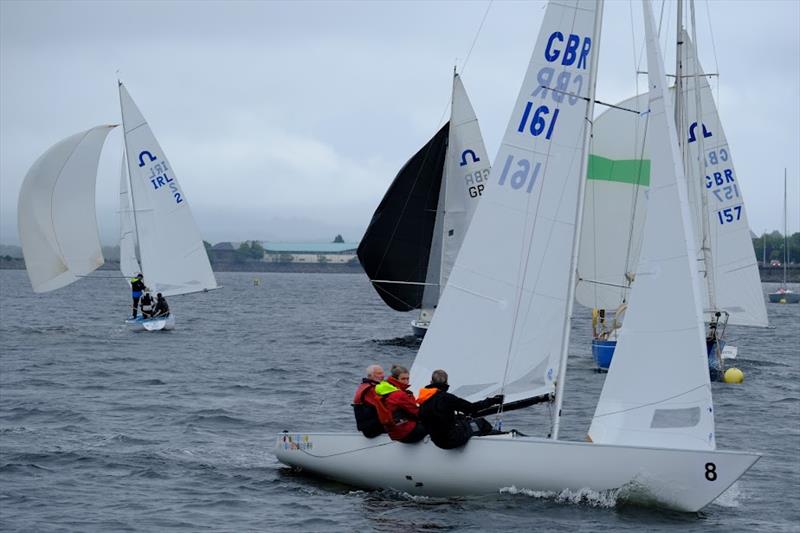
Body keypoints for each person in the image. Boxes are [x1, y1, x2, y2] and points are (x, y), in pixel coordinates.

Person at [418, 369, 504, 449]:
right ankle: (497, 445)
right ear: (446, 382)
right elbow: (471, 408)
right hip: (452, 440)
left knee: (463, 419)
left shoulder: (423, 400)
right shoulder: (448, 398)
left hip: (437, 441)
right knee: (481, 422)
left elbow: (433, 418)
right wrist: (493, 400)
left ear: (431, 382)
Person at [375, 365, 427, 443]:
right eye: (403, 379)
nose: (406, 381)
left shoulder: (383, 390)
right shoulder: (399, 395)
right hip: (408, 433)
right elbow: (417, 413)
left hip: (394, 433)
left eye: (407, 378)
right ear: (395, 379)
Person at [352, 364, 387, 438]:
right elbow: (384, 406)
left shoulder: (365, 385)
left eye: (383, 373)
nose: (383, 375)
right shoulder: (370, 389)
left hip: (368, 426)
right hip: (371, 429)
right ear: (370, 375)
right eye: (379, 373)